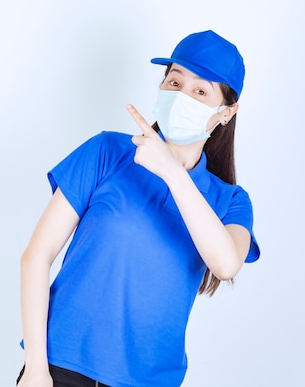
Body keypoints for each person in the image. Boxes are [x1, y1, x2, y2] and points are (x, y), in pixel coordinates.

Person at [17, 30, 260, 387]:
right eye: (174, 81)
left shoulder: (231, 202)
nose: (182, 96)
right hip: (58, 368)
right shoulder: (107, 152)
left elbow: (225, 264)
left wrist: (173, 173)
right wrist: (36, 368)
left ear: (226, 112)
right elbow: (36, 256)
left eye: (200, 91)